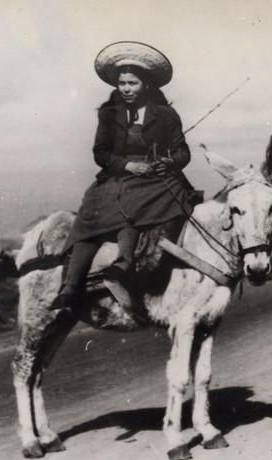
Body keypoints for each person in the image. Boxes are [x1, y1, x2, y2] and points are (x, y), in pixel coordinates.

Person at [51, 41, 194, 311]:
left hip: (155, 179)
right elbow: (101, 153)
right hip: (117, 175)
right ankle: (70, 286)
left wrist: (169, 162)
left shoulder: (166, 115)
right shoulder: (109, 114)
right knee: (90, 212)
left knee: (146, 203)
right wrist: (127, 166)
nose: (126, 89)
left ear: (147, 85)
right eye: (122, 83)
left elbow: (183, 152)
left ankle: (125, 263)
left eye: (133, 83)